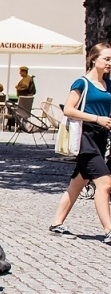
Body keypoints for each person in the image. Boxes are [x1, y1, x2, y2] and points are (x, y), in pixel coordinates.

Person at [49, 42, 111, 242]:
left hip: (101, 138)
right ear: (94, 59)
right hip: (84, 137)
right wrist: (96, 118)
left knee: (78, 181)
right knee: (105, 184)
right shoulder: (82, 83)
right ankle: (109, 230)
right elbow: (68, 109)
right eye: (106, 58)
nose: (110, 63)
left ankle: (56, 223)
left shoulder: (108, 84)